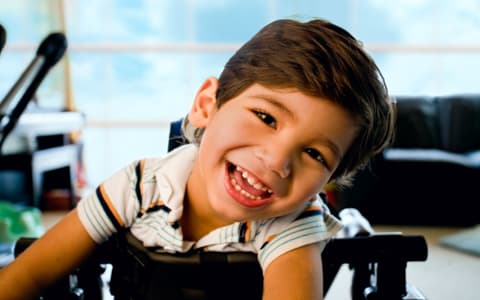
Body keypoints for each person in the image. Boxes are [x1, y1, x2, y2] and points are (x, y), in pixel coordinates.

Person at [0, 18, 395, 299]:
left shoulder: (291, 221)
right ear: (208, 104)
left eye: (313, 153)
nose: (276, 160)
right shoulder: (138, 185)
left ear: (329, 178)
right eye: (266, 117)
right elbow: (28, 275)